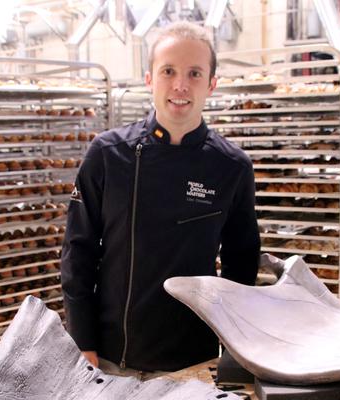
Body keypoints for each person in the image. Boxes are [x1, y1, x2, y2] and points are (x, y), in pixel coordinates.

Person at [61, 21, 260, 378]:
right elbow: (79, 252)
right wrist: (82, 342)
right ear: (149, 78)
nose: (180, 85)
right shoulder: (107, 154)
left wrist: (235, 348)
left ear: (211, 84)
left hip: (194, 360)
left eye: (194, 73)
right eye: (168, 71)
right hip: (111, 357)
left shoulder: (231, 166)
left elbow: (240, 266)